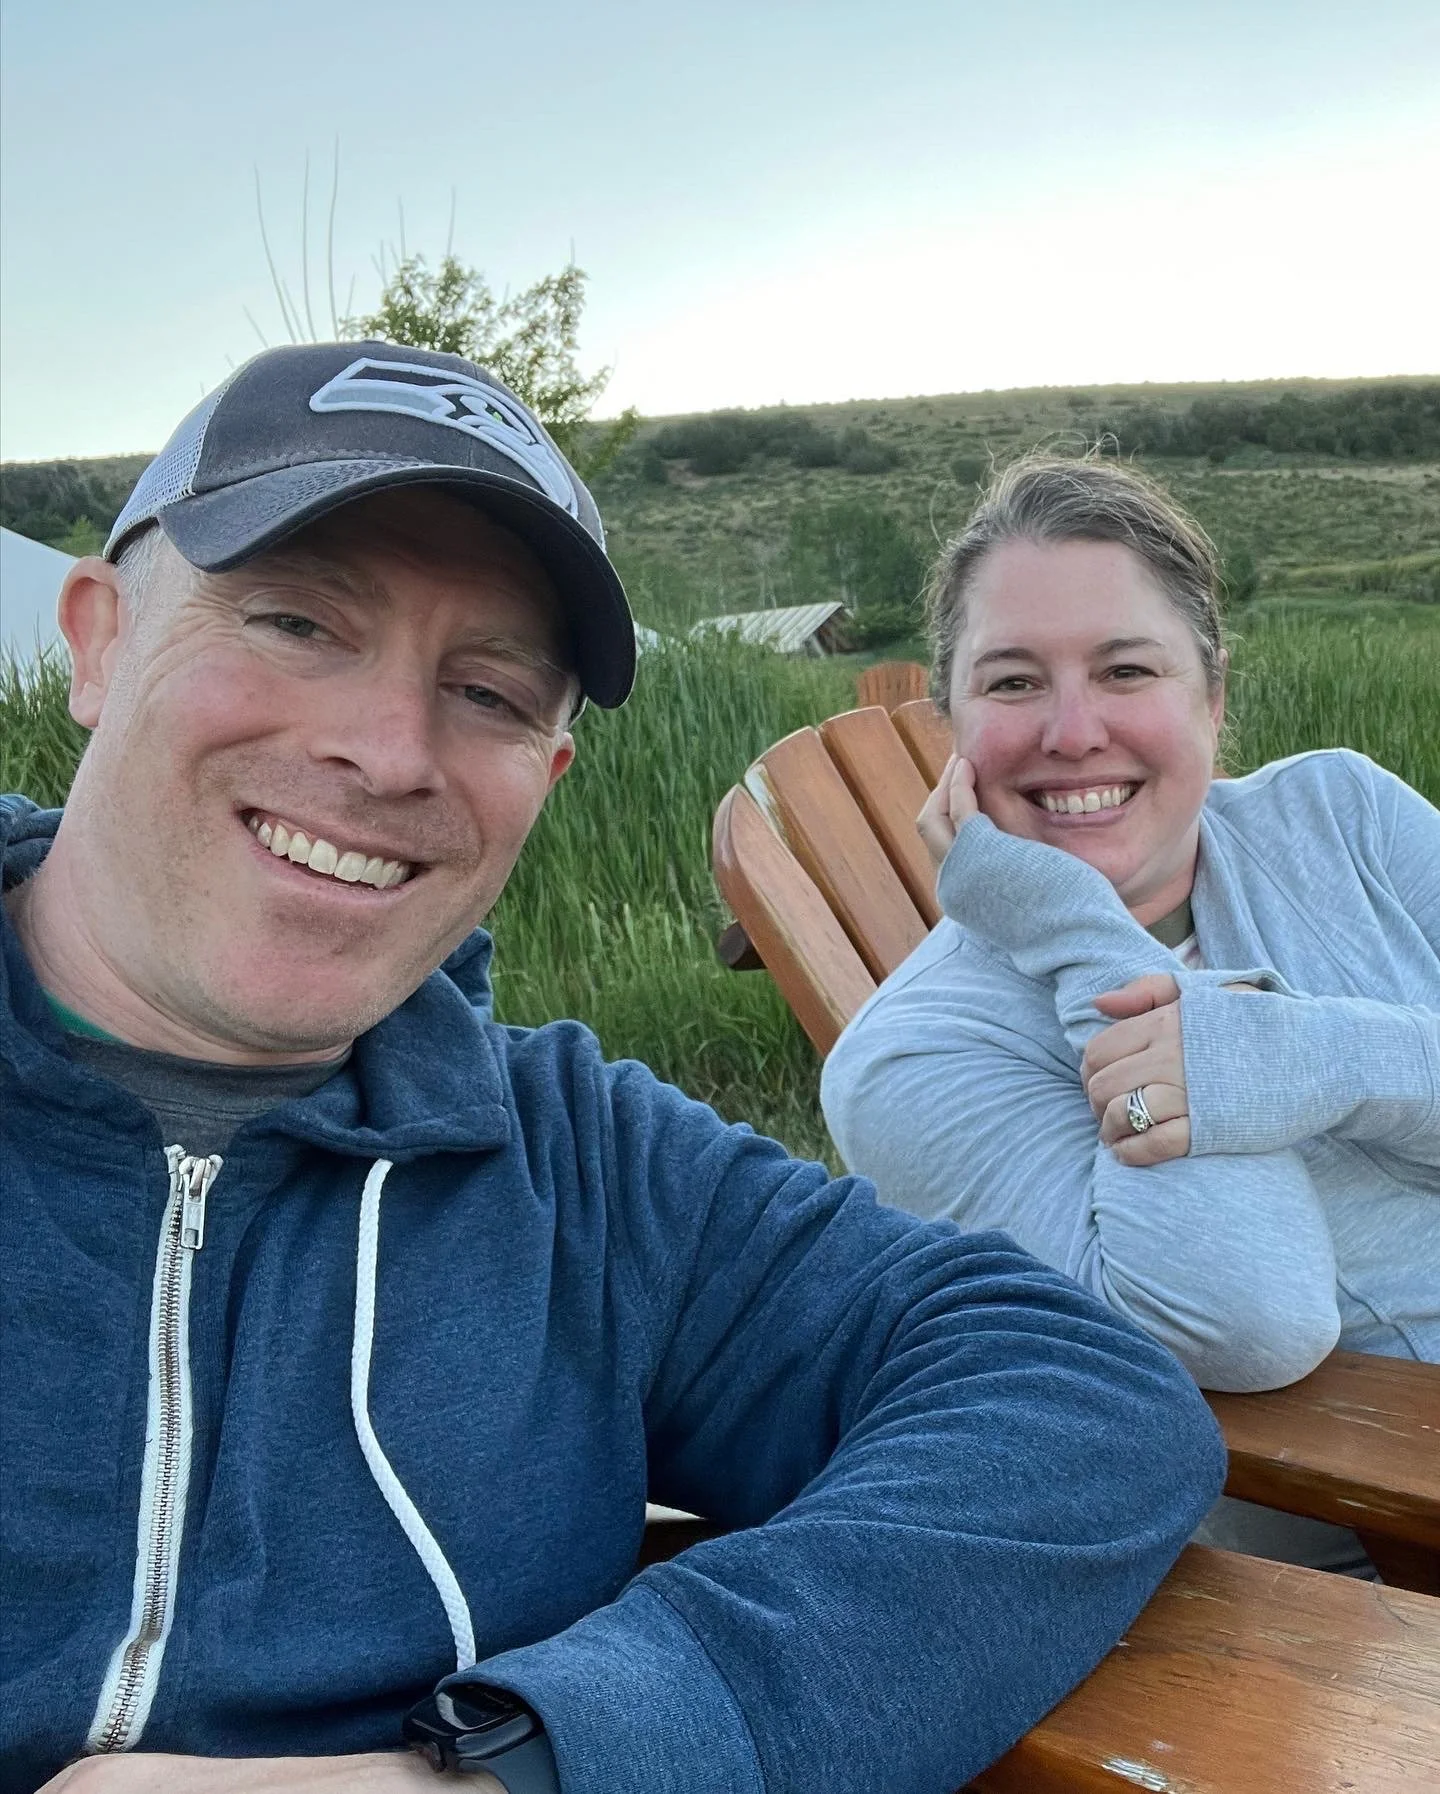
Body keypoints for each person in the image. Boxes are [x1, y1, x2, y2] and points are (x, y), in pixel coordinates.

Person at [0, 349, 1224, 1794]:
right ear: (96, 639)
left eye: (491, 692)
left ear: (550, 773)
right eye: (295, 619)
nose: (391, 750)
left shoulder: (582, 1165)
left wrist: (522, 1761)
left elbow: (1087, 1399)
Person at [821, 451, 1440, 1575]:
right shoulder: (913, 1062)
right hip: (1392, 1561)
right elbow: (1247, 1322)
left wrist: (1311, 1055)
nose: (1070, 733)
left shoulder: (1341, 817)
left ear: (1213, 698)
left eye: (1125, 670)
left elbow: (1299, 1065)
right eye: (1011, 682)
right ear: (948, 725)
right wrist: (1070, 927)